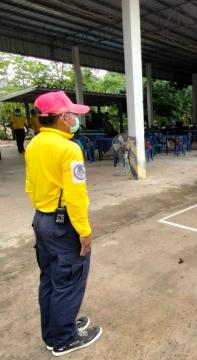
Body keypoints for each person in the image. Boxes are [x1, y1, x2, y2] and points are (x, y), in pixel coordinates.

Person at [25, 91, 102, 356]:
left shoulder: (34, 144)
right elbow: (76, 195)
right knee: (69, 279)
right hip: (64, 223)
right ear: (62, 117)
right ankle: (64, 338)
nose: (75, 117)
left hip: (42, 219)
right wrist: (84, 231)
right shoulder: (68, 148)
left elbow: (29, 186)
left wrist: (44, 209)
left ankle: (54, 331)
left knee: (50, 278)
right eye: (72, 114)